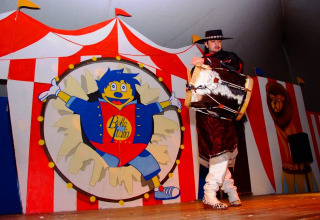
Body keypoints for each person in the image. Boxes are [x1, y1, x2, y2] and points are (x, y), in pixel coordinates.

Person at [191, 29, 243, 210]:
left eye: (218, 40)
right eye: (212, 41)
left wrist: (206, 61)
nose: (216, 43)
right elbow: (195, 91)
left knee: (221, 153)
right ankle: (230, 191)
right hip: (206, 115)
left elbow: (234, 66)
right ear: (206, 44)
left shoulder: (229, 57)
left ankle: (211, 193)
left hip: (224, 114)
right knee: (218, 154)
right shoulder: (197, 66)